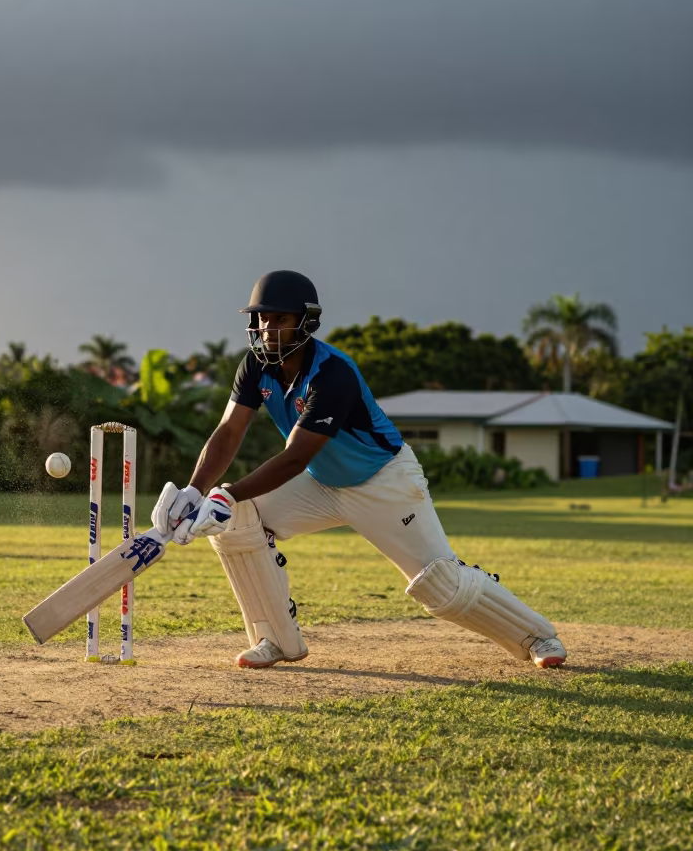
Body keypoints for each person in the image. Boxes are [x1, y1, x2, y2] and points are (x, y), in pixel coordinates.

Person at [152, 271, 567, 671]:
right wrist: (196, 490)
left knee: (441, 584)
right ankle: (276, 639)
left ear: (306, 322)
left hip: (384, 481)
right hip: (321, 483)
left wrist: (226, 494)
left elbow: (296, 455)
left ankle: (537, 636)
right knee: (241, 520)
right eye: (261, 318)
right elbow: (228, 431)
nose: (267, 329)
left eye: (280, 319)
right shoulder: (255, 366)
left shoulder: (333, 373)